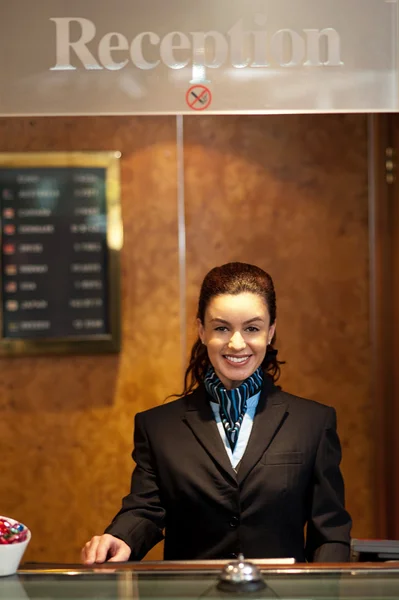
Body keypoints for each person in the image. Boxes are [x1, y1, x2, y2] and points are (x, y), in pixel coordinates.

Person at [82, 262, 352, 564]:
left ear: (271, 331)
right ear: (201, 330)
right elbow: (145, 509)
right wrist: (119, 537)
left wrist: (327, 588)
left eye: (252, 328)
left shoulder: (313, 423)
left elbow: (330, 533)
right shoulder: (157, 427)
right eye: (222, 328)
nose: (237, 343)